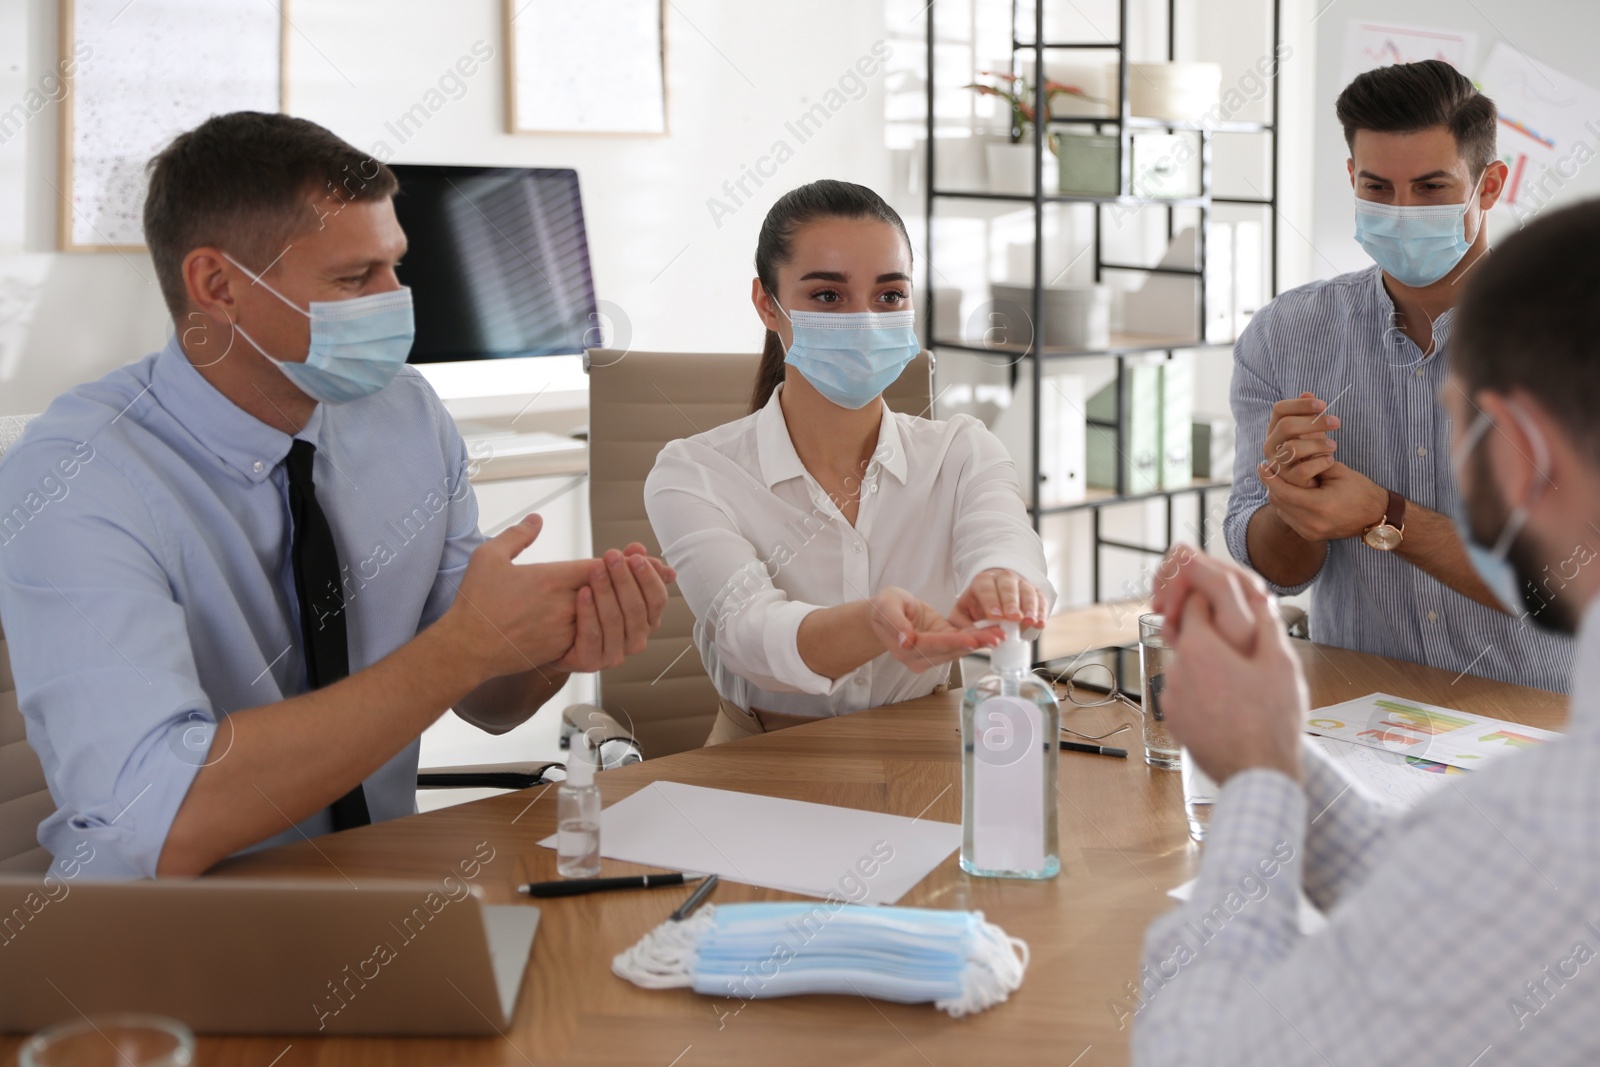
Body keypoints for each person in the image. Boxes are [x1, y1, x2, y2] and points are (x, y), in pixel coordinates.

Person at [0, 112, 672, 879]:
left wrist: (554, 645)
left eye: (395, 266)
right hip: (169, 932)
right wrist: (460, 649)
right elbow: (164, 823)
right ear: (216, 286)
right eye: (356, 278)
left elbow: (488, 701)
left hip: (380, 888)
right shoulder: (77, 477)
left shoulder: (404, 413)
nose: (397, 301)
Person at [1131, 199, 1600, 1064]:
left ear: (1524, 453)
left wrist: (1259, 789)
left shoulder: (1555, 826)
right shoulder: (1540, 819)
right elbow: (1463, 891)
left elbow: (1198, 1052)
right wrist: (1277, 747)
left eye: (1460, 423)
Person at [644, 180, 1053, 745]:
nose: (864, 320)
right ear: (768, 303)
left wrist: (1004, 584)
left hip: (925, 752)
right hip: (759, 763)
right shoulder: (693, 474)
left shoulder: (964, 451)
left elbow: (1003, 541)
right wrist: (872, 624)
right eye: (828, 297)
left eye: (889, 296)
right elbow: (745, 633)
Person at [1224, 60, 1572, 691]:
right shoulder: (1284, 334)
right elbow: (1279, 572)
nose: (1402, 210)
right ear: (1352, 177)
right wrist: (1290, 501)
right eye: (1378, 189)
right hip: (1356, 710)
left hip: (1542, 719)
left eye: (1432, 188)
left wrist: (1386, 516)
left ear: (1489, 185)